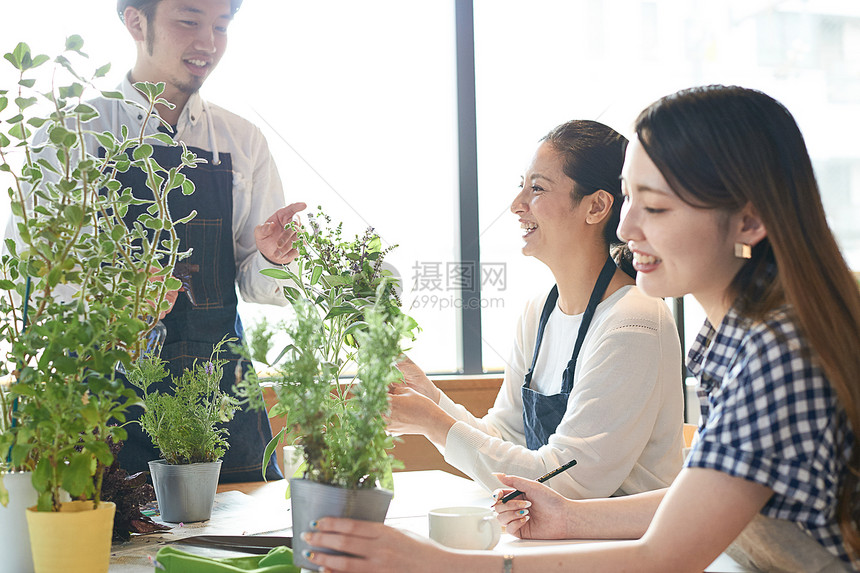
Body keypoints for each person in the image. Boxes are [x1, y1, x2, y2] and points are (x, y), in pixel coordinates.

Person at [301, 85, 860, 572]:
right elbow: (704, 495)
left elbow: (665, 557)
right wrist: (566, 516)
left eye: (656, 207)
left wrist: (443, 565)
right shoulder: (731, 341)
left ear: (749, 221)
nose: (627, 225)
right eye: (629, 198)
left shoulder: (775, 354)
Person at [0, 0, 305, 482]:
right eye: (189, 21)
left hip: (218, 391)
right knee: (110, 546)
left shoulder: (241, 140)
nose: (208, 42)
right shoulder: (71, 134)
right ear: (136, 21)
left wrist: (273, 258)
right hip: (101, 394)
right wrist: (117, 298)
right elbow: (28, 272)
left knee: (241, 545)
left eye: (221, 27)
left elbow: (256, 283)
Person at [389, 120, 685, 499]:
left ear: (596, 206)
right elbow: (506, 437)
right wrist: (429, 398)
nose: (517, 206)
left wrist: (433, 423)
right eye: (521, 186)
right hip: (555, 540)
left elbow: (566, 481)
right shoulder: (538, 314)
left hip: (619, 549)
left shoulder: (634, 322)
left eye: (537, 189)